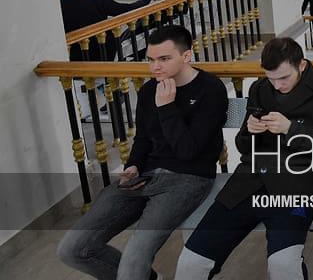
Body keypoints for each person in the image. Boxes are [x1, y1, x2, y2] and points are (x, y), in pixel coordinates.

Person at [58, 25, 227, 280]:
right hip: (144, 176)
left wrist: (167, 107)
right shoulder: (149, 90)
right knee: (72, 249)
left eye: (164, 59)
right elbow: (143, 138)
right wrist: (133, 164)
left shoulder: (211, 89)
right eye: (150, 59)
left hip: (189, 178)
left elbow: (188, 152)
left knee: (133, 260)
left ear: (186, 56)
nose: (155, 67)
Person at [176, 38, 313, 279]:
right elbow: (243, 147)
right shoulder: (259, 89)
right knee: (191, 262)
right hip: (247, 183)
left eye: (284, 78)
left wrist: (290, 128)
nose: (277, 85)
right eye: (271, 78)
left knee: (283, 265)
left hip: (297, 184)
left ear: (302, 65)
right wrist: (249, 131)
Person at [58, 0, 152, 61]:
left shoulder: (56, 11)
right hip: (104, 52)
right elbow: (126, 9)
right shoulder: (95, 1)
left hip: (74, 57)